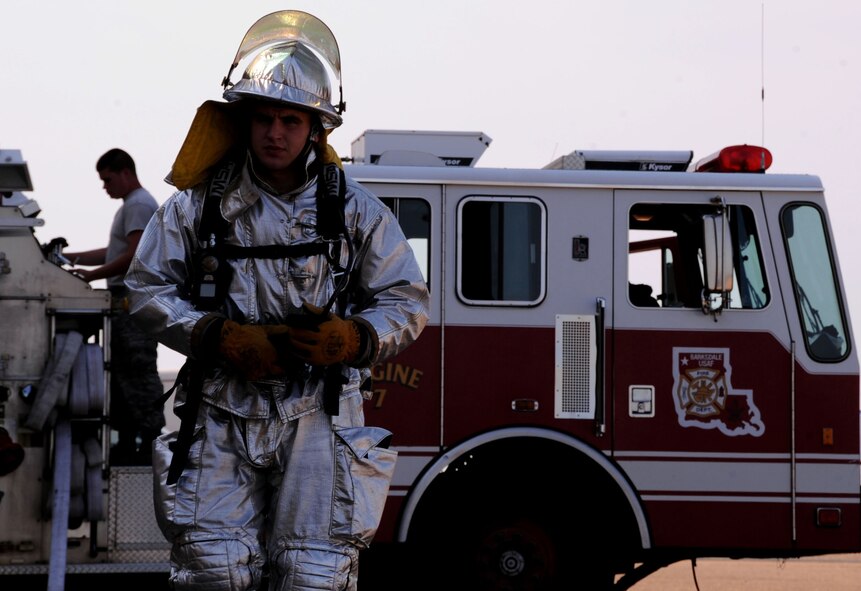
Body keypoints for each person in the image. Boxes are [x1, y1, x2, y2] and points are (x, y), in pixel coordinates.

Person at [124, 10, 429, 591]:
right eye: (263, 117)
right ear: (243, 121)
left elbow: (406, 299)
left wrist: (355, 338)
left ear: (316, 128)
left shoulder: (356, 212)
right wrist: (214, 334)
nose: (275, 132)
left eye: (291, 120)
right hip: (219, 408)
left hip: (320, 413)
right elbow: (145, 287)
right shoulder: (195, 207)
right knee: (213, 572)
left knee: (314, 574)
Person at [65, 148, 165, 465]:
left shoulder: (138, 204)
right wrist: (69, 258)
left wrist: (91, 276)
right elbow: (114, 252)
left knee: (138, 371)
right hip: (125, 303)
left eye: (107, 179)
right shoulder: (133, 206)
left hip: (133, 302)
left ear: (125, 172)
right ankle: (129, 442)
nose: (105, 187)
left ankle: (149, 441)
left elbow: (134, 256)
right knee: (123, 374)